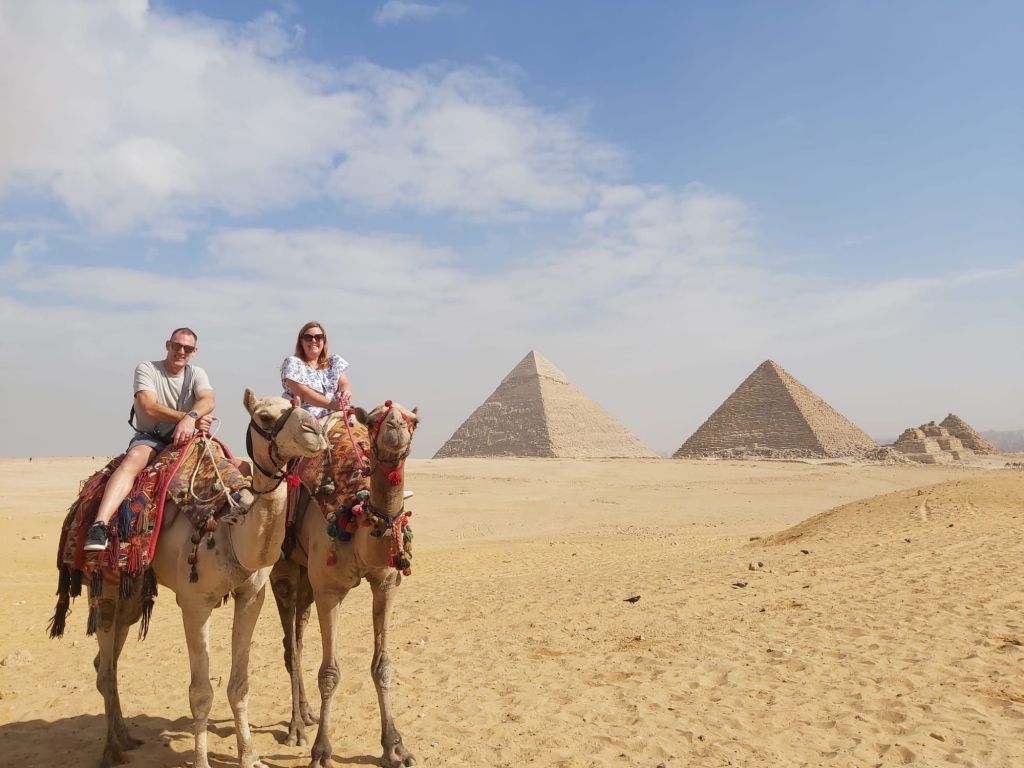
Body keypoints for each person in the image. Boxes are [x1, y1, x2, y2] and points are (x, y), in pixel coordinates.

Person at [83, 328, 215, 551]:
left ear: (195, 351)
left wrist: (192, 418)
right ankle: (100, 525)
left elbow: (207, 399)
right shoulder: (147, 369)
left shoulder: (196, 373)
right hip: (152, 438)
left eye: (188, 348)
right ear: (167, 345)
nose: (181, 351)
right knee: (133, 459)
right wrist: (187, 418)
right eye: (177, 346)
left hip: (186, 440)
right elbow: (148, 406)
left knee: (232, 470)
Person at [280, 321, 351, 416]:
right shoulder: (293, 363)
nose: (313, 341)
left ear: (324, 341)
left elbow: (344, 383)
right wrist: (332, 405)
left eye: (318, 337)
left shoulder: (333, 362)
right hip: (305, 416)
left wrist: (346, 392)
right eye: (308, 338)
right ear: (301, 342)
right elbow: (304, 394)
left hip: (338, 411)